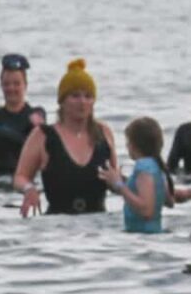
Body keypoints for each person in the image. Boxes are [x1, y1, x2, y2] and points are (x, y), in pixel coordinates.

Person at [14, 59, 116, 217]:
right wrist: (29, 189)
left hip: (99, 227)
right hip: (57, 227)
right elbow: (20, 177)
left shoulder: (104, 133)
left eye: (88, 96)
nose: (82, 102)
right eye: (75, 96)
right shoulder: (43, 135)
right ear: (62, 101)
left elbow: (116, 181)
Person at [105, 118, 191, 235]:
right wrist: (125, 182)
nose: (126, 145)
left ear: (134, 145)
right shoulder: (157, 165)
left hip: (142, 236)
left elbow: (146, 211)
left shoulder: (143, 167)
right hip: (154, 233)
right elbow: (169, 202)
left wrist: (119, 185)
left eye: (128, 141)